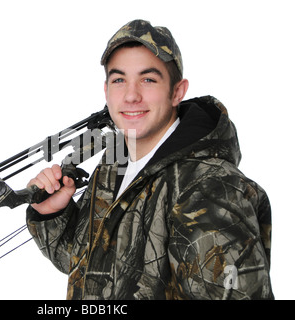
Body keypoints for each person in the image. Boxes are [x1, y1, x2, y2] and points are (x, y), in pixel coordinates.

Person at [26, 19, 274, 300]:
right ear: (106, 91)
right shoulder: (115, 165)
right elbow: (93, 270)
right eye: (119, 80)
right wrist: (53, 214)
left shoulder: (210, 188)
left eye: (148, 79)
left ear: (177, 92)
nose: (131, 96)